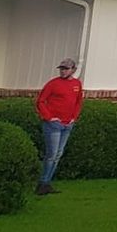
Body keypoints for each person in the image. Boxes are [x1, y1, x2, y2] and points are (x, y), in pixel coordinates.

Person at [35, 57, 82, 196]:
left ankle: (47, 183)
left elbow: (78, 102)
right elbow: (40, 101)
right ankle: (42, 183)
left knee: (58, 154)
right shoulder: (53, 84)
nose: (63, 71)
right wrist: (49, 117)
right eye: (61, 68)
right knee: (52, 154)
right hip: (54, 124)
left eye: (66, 69)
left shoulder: (77, 84)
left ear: (73, 70)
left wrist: (74, 117)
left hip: (68, 124)